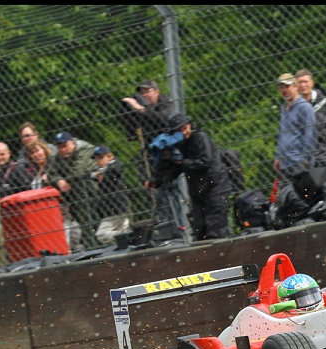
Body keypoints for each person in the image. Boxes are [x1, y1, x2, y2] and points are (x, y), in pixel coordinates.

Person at [121, 79, 181, 226]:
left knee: (170, 192)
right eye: (142, 92)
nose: (145, 95)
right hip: (149, 155)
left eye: (148, 91)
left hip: (168, 154)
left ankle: (175, 225)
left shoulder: (166, 104)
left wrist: (141, 109)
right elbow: (132, 135)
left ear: (157, 91)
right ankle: (162, 223)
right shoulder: (142, 110)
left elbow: (162, 121)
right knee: (153, 191)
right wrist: (128, 115)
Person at [165, 113, 231, 241]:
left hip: (215, 186)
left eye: (184, 129)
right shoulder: (181, 144)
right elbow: (179, 167)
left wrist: (180, 162)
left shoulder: (200, 137)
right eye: (179, 131)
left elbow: (205, 161)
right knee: (200, 229)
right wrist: (161, 179)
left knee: (216, 228)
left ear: (189, 125)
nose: (183, 133)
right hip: (199, 190)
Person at [48, 131, 98, 250]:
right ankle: (92, 248)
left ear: (72, 143)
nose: (62, 149)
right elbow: (50, 174)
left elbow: (78, 171)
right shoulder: (60, 156)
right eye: (59, 147)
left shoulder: (84, 149)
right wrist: (60, 181)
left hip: (94, 190)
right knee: (84, 223)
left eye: (65, 145)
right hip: (77, 194)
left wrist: (65, 179)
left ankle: (96, 247)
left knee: (93, 221)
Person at [273, 73, 317, 184]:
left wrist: (305, 161)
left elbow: (310, 135)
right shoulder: (284, 108)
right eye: (281, 87)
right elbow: (283, 134)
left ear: (295, 86)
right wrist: (278, 157)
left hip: (298, 163)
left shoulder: (305, 107)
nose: (284, 90)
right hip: (284, 163)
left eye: (287, 86)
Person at [295, 68, 326, 167]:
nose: (303, 85)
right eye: (300, 82)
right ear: (296, 85)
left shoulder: (324, 102)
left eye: (305, 82)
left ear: (312, 83)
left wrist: (319, 135)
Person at [88, 146, 131, 246]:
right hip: (110, 209)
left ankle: (127, 235)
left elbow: (115, 169)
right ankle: (125, 237)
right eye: (96, 159)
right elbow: (87, 175)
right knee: (122, 238)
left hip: (117, 208)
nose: (98, 161)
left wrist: (99, 173)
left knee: (101, 234)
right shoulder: (101, 169)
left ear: (110, 156)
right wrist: (96, 174)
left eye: (101, 157)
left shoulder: (114, 165)